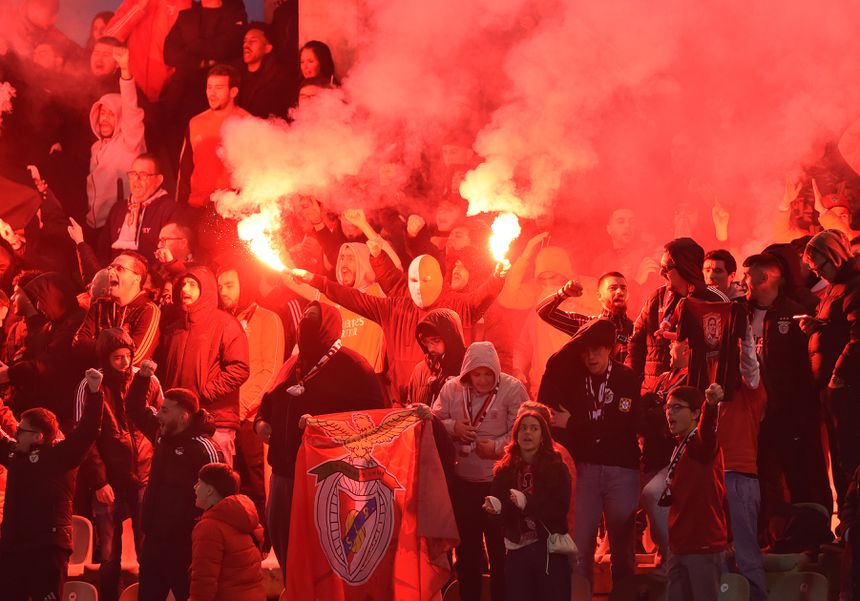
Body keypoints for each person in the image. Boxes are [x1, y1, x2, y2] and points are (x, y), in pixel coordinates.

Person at [255, 301, 385, 577]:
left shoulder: (354, 366)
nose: (306, 328)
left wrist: (324, 427)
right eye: (304, 322)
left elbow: (372, 420)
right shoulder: (294, 364)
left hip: (326, 478)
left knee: (322, 554)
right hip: (284, 474)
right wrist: (261, 422)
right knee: (284, 541)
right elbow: (268, 402)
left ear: (329, 327)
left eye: (313, 322)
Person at [538, 318, 642, 588]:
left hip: (622, 470)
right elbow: (554, 365)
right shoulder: (574, 379)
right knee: (580, 547)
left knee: (622, 550)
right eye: (585, 350)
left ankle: (624, 597)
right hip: (585, 469)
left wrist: (572, 423)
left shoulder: (626, 378)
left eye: (597, 349)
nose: (591, 356)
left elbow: (618, 427)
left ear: (611, 349)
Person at [432, 341, 528, 601]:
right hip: (463, 484)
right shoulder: (452, 389)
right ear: (467, 372)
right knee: (467, 553)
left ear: (497, 371)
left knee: (501, 552)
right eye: (477, 374)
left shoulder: (512, 389)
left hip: (499, 482)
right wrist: (455, 428)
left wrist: (497, 447)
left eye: (488, 373)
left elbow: (526, 432)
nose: (483, 380)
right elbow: (433, 421)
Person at [0, 367, 104, 601]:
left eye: (20, 431)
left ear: (38, 436)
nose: (15, 434)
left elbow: (88, 431)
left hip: (47, 550)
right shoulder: (15, 454)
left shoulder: (61, 456)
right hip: (13, 547)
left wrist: (95, 393)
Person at [743, 253, 833, 518]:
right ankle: (773, 536)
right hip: (755, 417)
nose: (742, 281)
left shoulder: (795, 314)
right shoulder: (740, 313)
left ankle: (814, 537)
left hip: (792, 415)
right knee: (764, 479)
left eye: (747, 276)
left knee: (802, 476)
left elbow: (810, 366)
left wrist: (805, 407)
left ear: (765, 278)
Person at [75, 328, 162, 601]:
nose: (125, 363)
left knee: (147, 547)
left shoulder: (147, 380)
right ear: (105, 358)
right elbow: (84, 437)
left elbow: (163, 424)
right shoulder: (91, 385)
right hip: (109, 479)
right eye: (117, 357)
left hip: (145, 475)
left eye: (127, 355)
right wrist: (99, 481)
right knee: (109, 553)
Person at [127, 360, 224, 601]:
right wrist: (142, 379)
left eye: (164, 410)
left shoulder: (205, 449)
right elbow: (135, 408)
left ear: (183, 416)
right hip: (154, 543)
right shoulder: (162, 435)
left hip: (186, 547)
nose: (158, 414)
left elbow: (223, 498)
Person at [156, 266, 250, 468]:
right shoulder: (173, 330)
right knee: (181, 486)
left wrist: (204, 393)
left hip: (215, 422)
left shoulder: (225, 324)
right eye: (182, 284)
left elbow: (239, 368)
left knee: (214, 485)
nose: (184, 289)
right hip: (179, 422)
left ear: (205, 289)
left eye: (192, 285)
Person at [216, 260, 284, 536]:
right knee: (229, 483)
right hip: (225, 418)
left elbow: (271, 370)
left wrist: (240, 407)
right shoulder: (221, 321)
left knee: (257, 483)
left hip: (253, 418)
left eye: (230, 285)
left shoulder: (269, 319)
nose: (223, 292)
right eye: (220, 286)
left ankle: (263, 537)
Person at [483, 410, 572, 601]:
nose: (527, 433)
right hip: (516, 548)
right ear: (515, 435)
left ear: (543, 435)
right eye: (523, 428)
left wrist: (527, 503)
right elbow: (495, 518)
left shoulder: (556, 466)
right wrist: (496, 509)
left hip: (548, 548)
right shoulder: (504, 470)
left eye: (534, 428)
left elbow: (559, 508)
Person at [626, 237, 730, 393]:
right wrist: (631, 387)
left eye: (667, 267)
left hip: (695, 398)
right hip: (653, 396)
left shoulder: (715, 301)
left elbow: (724, 354)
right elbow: (636, 345)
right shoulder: (657, 298)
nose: (661, 272)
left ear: (686, 267)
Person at [801, 230, 860, 504]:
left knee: (849, 456)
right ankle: (847, 531)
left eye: (820, 266)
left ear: (835, 256)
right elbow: (839, 325)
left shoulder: (855, 285)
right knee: (839, 458)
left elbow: (857, 335)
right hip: (832, 387)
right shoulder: (836, 287)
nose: (818, 273)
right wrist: (816, 325)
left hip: (846, 389)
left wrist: (839, 374)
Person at [663, 385, 728, 601]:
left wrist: (710, 407)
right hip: (679, 546)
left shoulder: (701, 445)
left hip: (703, 545)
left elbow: (708, 430)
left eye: (677, 408)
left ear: (695, 414)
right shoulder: (679, 445)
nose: (669, 412)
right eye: (668, 407)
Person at [177, 64, 250, 255]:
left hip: (227, 213)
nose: (212, 93)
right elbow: (184, 170)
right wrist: (180, 210)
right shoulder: (195, 122)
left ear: (233, 91)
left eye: (219, 88)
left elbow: (254, 173)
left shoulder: (246, 123)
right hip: (195, 209)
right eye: (209, 87)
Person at [85, 44, 146, 245]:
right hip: (94, 225)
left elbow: (130, 110)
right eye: (102, 113)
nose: (104, 119)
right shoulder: (96, 148)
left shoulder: (130, 141)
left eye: (111, 114)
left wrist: (126, 73)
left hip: (121, 225)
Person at [191, 463, 265, 601]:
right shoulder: (247, 519)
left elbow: (204, 581)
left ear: (209, 491)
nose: (195, 487)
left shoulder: (209, 527)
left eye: (199, 483)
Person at [73, 250, 160, 368]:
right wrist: (116, 351)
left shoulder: (148, 310)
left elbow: (135, 358)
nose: (110, 272)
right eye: (110, 268)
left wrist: (98, 347)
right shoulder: (101, 305)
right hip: (98, 381)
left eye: (119, 268)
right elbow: (78, 342)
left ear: (137, 278)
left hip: (131, 385)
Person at [536, 271, 634, 363]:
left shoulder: (637, 330)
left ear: (628, 295)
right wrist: (563, 293)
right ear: (599, 296)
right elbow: (544, 312)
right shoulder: (588, 325)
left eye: (623, 288)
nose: (619, 292)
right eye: (613, 288)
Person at [407, 308, 466, 406]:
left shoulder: (467, 369)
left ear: (451, 338)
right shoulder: (420, 370)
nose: (430, 348)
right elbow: (410, 404)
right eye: (426, 342)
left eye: (436, 340)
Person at [237, 22, 294, 118]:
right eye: (245, 41)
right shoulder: (234, 74)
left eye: (252, 41)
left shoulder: (280, 78)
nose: (246, 45)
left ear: (267, 48)